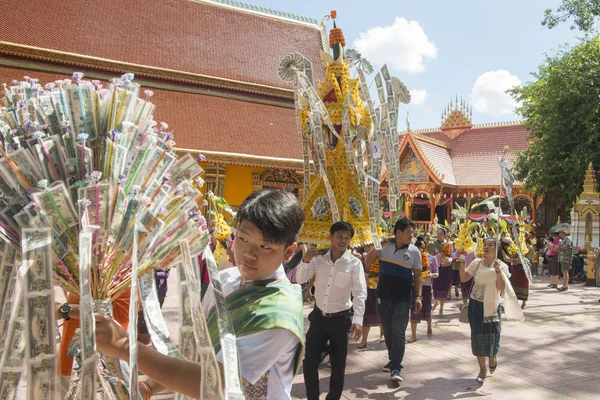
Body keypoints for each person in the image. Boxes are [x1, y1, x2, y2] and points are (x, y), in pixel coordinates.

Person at [95, 189, 306, 399]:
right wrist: (148, 388)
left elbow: (213, 383)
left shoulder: (277, 315)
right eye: (242, 239)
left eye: (264, 246)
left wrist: (126, 348)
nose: (249, 254)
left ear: (288, 251)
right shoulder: (225, 281)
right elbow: (198, 356)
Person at [297, 221, 367, 400]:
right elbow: (300, 279)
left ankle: (333, 397)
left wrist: (358, 320)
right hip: (319, 318)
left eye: (346, 238)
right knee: (309, 362)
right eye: (339, 236)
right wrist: (305, 260)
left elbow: (359, 293)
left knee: (338, 365)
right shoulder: (318, 259)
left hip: (341, 320)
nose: (343, 240)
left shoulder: (354, 264)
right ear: (330, 237)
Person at [365, 217, 422, 383]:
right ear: (398, 232)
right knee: (388, 332)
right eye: (409, 232)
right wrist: (378, 246)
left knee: (398, 332)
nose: (412, 235)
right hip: (383, 297)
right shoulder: (384, 247)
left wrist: (418, 296)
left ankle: (396, 366)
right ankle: (393, 360)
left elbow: (418, 276)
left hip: (403, 299)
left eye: (413, 232)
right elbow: (368, 262)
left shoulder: (414, 252)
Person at [459, 237, 521, 383]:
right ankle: (482, 369)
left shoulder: (502, 266)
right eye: (485, 245)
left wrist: (498, 272)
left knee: (492, 336)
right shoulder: (476, 263)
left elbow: (500, 287)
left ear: (496, 248)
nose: (486, 247)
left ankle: (492, 358)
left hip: (493, 307)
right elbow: (463, 278)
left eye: (490, 245)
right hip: (476, 305)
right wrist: (461, 261)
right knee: (477, 336)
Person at [408, 236, 438, 343]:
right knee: (414, 308)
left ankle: (429, 326)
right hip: (415, 285)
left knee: (427, 307)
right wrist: (414, 274)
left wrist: (431, 274)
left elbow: (436, 273)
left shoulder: (432, 258)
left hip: (426, 286)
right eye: (418, 248)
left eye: (422, 247)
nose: (420, 250)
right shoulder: (411, 259)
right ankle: (413, 335)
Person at [358, 243, 384, 349]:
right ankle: (364, 340)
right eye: (365, 247)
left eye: (370, 247)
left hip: (380, 289)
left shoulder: (382, 257)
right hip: (368, 289)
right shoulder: (363, 259)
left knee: (381, 313)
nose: (368, 249)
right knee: (367, 314)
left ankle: (382, 335)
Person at [429, 227, 454, 316]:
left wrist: (449, 259)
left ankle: (441, 308)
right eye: (438, 233)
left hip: (446, 268)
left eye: (441, 234)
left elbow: (452, 256)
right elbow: (430, 256)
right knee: (435, 287)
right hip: (437, 267)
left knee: (444, 288)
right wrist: (436, 256)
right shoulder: (433, 244)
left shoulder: (449, 244)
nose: (439, 235)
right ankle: (436, 302)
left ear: (445, 235)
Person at [499, 238, 529, 309]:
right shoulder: (501, 249)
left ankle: (521, 303)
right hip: (505, 269)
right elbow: (506, 259)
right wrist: (515, 260)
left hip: (516, 269)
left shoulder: (509, 249)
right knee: (505, 287)